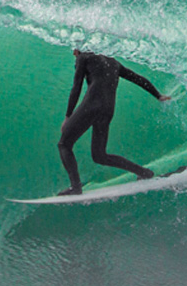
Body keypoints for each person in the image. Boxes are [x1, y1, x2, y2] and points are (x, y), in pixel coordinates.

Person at [57, 49, 171, 195]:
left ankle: (76, 187)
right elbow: (137, 78)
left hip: (92, 105)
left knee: (64, 144)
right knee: (99, 155)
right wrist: (158, 95)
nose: (74, 53)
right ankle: (144, 172)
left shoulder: (84, 57)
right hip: (108, 109)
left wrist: (68, 116)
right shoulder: (113, 62)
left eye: (75, 50)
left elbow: (76, 86)